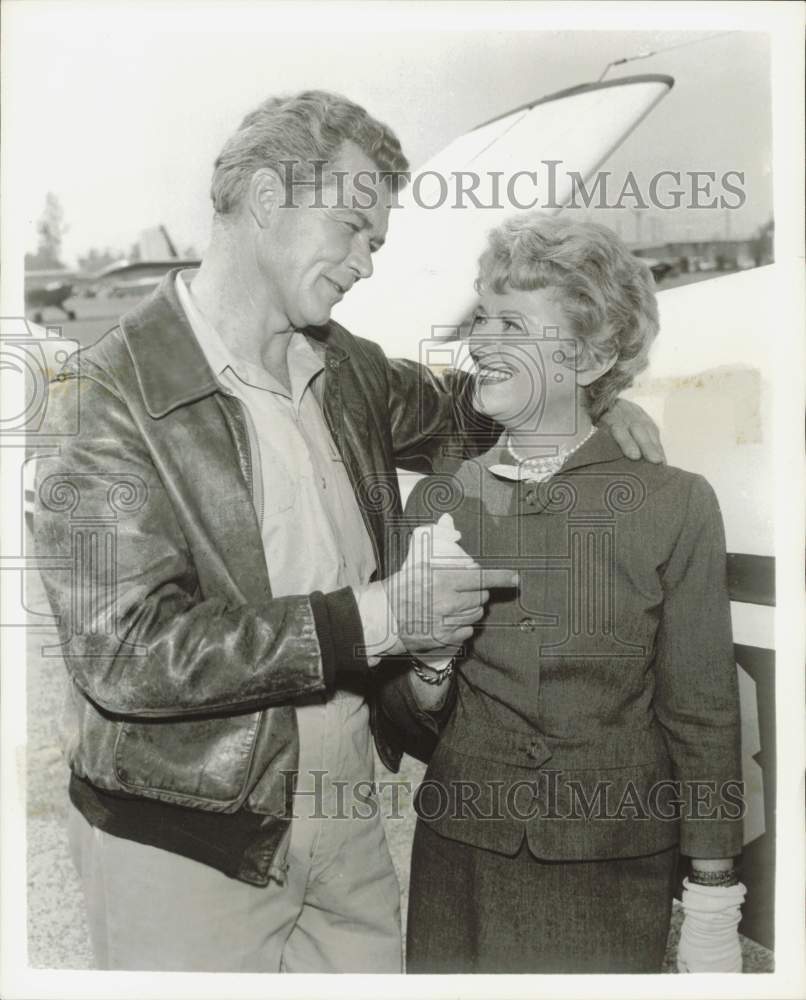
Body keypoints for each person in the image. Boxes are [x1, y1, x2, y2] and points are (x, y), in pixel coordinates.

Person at [33, 92, 662, 973]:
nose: (365, 260)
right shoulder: (100, 395)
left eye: (377, 240)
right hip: (189, 840)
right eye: (353, 226)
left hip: (346, 823)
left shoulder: (347, 366)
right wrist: (377, 620)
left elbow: (469, 409)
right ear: (264, 197)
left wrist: (597, 397)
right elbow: (124, 651)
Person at [381, 215, 745, 974]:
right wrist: (430, 664)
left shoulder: (674, 503)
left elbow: (702, 714)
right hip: (458, 864)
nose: (481, 340)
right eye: (482, 316)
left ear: (592, 356)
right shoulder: (440, 504)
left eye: (512, 322)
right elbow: (408, 719)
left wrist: (713, 896)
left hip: (610, 873)